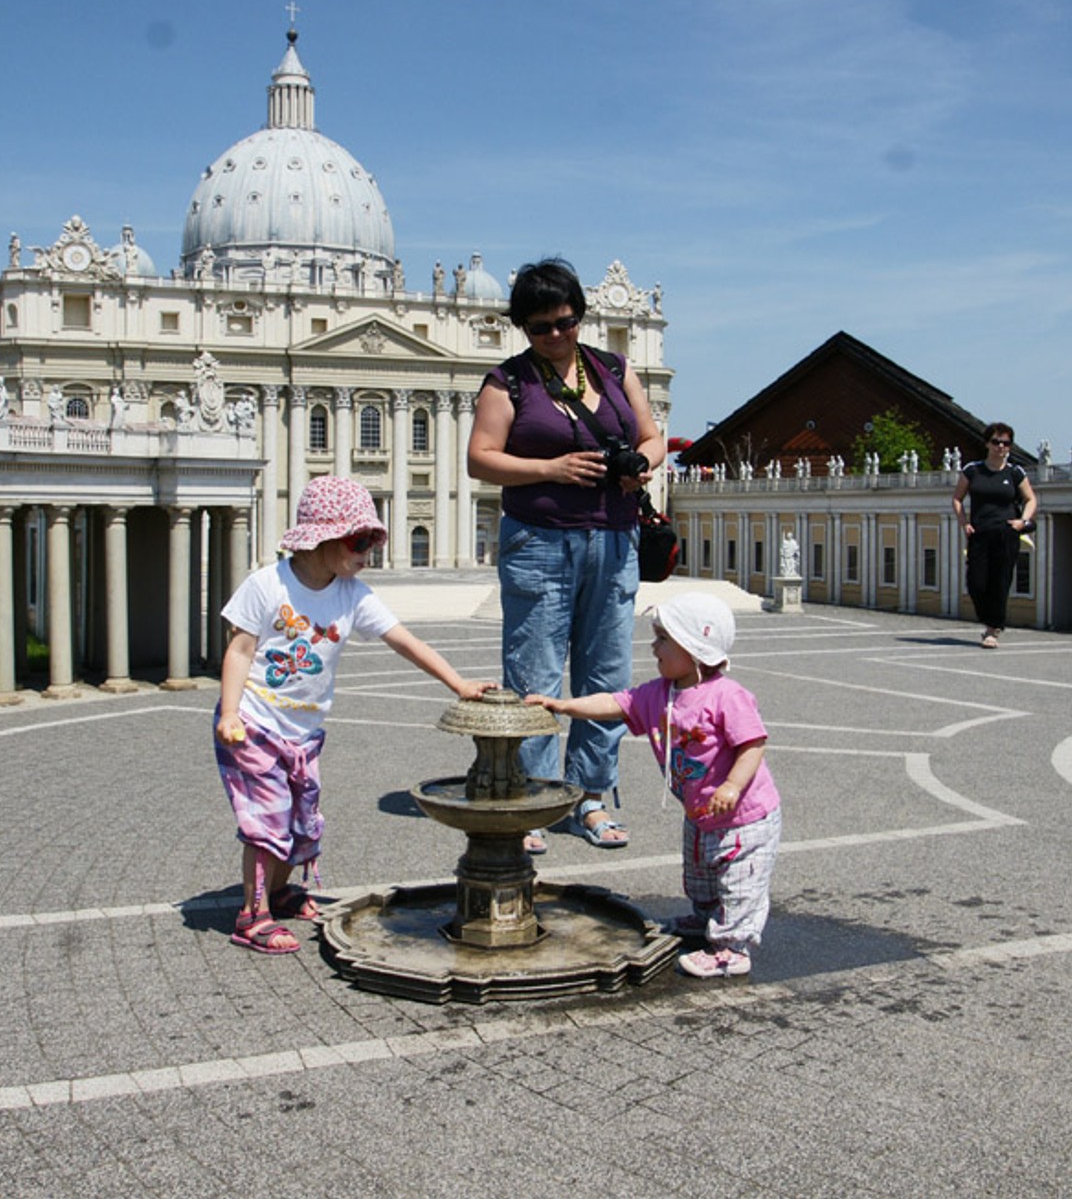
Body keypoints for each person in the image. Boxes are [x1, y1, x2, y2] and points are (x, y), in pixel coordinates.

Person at [216, 475, 493, 954]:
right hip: (254, 723)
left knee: (302, 819)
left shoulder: (352, 593)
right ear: (322, 538)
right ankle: (252, 914)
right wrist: (230, 712)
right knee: (268, 821)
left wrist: (459, 683)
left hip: (303, 731)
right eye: (360, 541)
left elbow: (404, 641)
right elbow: (239, 650)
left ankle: (279, 892)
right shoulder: (267, 584)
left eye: (374, 541)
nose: (369, 552)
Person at [467, 258, 665, 854]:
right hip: (540, 540)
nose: (555, 334)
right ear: (522, 328)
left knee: (608, 672)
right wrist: (550, 468)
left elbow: (652, 438)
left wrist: (642, 467)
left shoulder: (612, 369)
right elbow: (481, 458)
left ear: (580, 315)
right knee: (534, 674)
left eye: (565, 321)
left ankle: (590, 798)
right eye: (540, 326)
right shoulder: (508, 382)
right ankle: (529, 797)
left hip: (612, 536)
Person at [527, 593, 780, 978]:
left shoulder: (727, 695)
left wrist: (731, 786)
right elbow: (614, 703)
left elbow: (752, 744)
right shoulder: (659, 694)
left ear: (694, 648)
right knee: (700, 874)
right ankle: (707, 918)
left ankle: (732, 948)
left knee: (740, 882)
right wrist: (563, 706)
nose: (653, 646)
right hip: (699, 811)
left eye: (663, 638)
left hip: (745, 817)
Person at [951, 421, 1037, 649]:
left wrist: (1023, 522)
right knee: (976, 582)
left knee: (1000, 581)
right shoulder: (973, 470)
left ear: (1010, 446)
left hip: (1006, 533)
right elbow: (957, 498)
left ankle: (993, 629)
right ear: (987, 443)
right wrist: (964, 523)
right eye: (996, 442)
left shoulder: (1015, 472)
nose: (1001, 447)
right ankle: (989, 618)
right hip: (979, 533)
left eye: (1006, 443)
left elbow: (1031, 499)